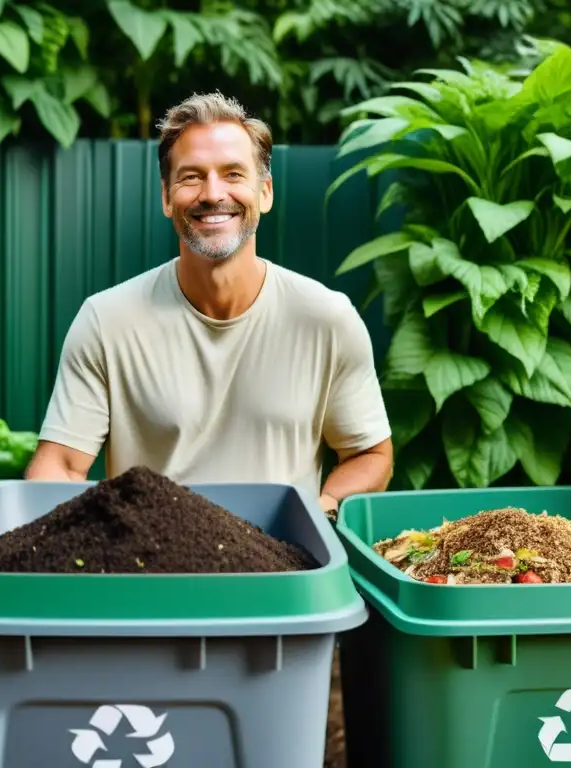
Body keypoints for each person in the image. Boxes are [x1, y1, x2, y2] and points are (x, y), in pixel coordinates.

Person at [25, 91, 392, 515]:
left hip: (283, 565)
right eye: (191, 177)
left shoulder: (326, 319)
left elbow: (370, 455)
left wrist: (319, 511)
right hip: (150, 568)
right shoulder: (107, 321)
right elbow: (60, 465)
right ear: (166, 197)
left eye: (233, 174)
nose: (212, 193)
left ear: (265, 192)